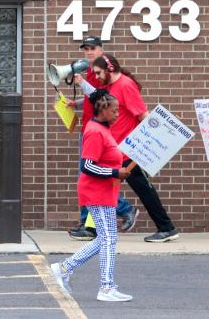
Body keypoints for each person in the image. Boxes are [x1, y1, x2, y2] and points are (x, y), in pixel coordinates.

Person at [51, 89, 133, 303]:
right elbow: (87, 166)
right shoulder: (95, 131)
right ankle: (105, 287)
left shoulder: (103, 129)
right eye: (114, 110)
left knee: (106, 238)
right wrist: (116, 172)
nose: (117, 114)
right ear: (102, 108)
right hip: (96, 191)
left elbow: (108, 158)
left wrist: (120, 167)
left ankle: (64, 268)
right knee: (108, 239)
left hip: (105, 191)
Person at [92, 54, 179, 243]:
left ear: (110, 69)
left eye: (99, 73)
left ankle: (166, 228)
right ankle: (93, 228)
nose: (97, 76)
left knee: (144, 191)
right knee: (100, 187)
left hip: (129, 151)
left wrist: (153, 145)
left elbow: (143, 115)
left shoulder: (125, 85)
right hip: (115, 150)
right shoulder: (109, 87)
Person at [66, 37, 137, 241]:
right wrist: (76, 103)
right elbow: (91, 100)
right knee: (87, 177)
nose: (88, 52)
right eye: (85, 49)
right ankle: (88, 224)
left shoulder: (100, 73)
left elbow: (102, 98)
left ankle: (122, 210)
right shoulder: (90, 70)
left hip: (96, 129)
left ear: (101, 49)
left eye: (92, 48)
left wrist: (83, 84)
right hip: (89, 127)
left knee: (87, 175)